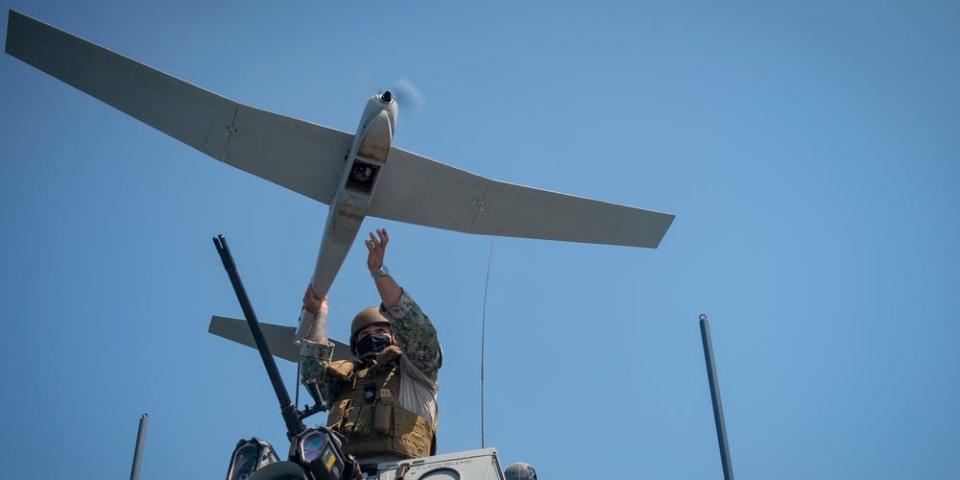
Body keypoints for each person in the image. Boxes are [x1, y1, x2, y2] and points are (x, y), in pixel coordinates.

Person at [296, 228, 441, 469]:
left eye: (380, 331)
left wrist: (378, 271)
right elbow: (314, 373)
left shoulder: (416, 371)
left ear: (396, 337)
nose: (371, 337)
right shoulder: (345, 382)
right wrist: (319, 313)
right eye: (363, 335)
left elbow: (417, 330)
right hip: (346, 472)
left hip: (401, 470)